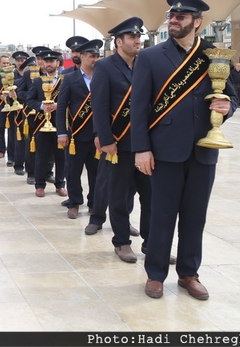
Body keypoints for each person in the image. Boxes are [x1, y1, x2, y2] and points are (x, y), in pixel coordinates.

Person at [132, 0, 237, 300]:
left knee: (195, 215)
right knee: (162, 214)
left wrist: (224, 108)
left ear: (197, 22)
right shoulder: (151, 57)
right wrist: (141, 148)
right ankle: (155, 274)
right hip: (164, 150)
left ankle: (189, 273)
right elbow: (139, 107)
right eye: (171, 17)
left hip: (204, 149)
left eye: (180, 18)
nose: (173, 21)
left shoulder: (213, 54)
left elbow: (231, 95)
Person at [89, 18, 151, 261]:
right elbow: (100, 105)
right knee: (119, 194)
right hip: (119, 142)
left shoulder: (146, 63)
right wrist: (105, 138)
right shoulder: (105, 66)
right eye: (132, 37)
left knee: (151, 195)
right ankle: (121, 242)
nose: (138, 41)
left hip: (146, 143)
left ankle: (151, 242)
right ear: (118, 42)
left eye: (139, 37)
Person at [57, 39, 102, 220]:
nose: (95, 60)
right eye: (92, 56)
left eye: (97, 56)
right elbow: (61, 107)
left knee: (97, 172)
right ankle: (74, 202)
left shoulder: (103, 76)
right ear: (82, 57)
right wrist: (61, 132)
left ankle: (94, 203)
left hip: (98, 134)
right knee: (73, 171)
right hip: (75, 135)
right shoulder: (69, 78)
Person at [26, 50, 67, 197]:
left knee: (61, 156)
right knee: (41, 156)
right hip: (42, 123)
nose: (49, 64)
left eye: (52, 61)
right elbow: (29, 100)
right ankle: (40, 185)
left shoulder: (65, 80)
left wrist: (58, 105)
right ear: (43, 63)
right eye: (46, 61)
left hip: (61, 123)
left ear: (57, 63)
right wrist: (43, 106)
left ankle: (60, 184)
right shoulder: (38, 81)